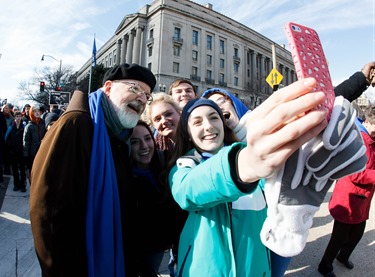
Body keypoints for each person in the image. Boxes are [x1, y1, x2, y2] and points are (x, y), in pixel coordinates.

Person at [166, 77, 330, 276]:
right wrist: (242, 166)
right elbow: (187, 192)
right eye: (197, 122)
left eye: (214, 117)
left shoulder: (257, 161)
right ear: (188, 134)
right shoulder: (184, 166)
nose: (208, 126)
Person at [29, 63, 157, 276]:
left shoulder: (120, 137)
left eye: (147, 95)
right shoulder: (76, 124)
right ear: (108, 88)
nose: (142, 99)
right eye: (134, 89)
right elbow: (48, 214)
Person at [318, 105, 375, 277]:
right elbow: (355, 173)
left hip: (361, 199)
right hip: (349, 198)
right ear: (367, 121)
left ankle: (343, 257)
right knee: (339, 237)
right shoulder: (359, 139)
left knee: (356, 234)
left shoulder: (371, 140)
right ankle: (325, 266)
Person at [128, 120, 185, 276]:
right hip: (140, 253)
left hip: (162, 247)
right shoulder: (125, 180)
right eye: (135, 142)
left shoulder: (163, 165)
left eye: (147, 138)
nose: (144, 146)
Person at [5, 111, 26, 192]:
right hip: (13, 152)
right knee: (15, 169)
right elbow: (6, 139)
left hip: (21, 152)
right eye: (16, 116)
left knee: (22, 169)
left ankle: (22, 185)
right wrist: (11, 146)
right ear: (14, 118)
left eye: (19, 116)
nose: (18, 118)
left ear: (21, 117)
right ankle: (16, 184)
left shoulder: (23, 128)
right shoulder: (10, 128)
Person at [23, 104, 46, 172]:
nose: (37, 112)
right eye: (34, 111)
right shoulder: (29, 126)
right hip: (32, 154)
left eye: (38, 110)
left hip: (42, 152)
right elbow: (26, 142)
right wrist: (26, 155)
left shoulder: (44, 123)